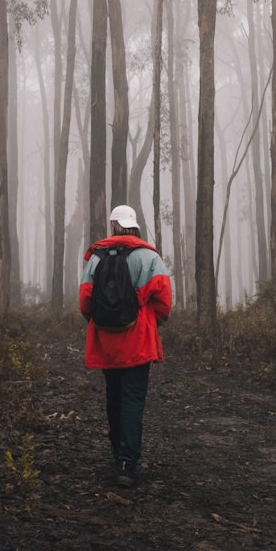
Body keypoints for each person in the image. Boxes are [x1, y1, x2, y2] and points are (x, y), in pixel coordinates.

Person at [80, 204, 172, 488]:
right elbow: (165, 302)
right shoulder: (149, 257)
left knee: (114, 396)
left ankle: (116, 452)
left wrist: (102, 322)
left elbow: (85, 302)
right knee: (133, 399)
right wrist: (147, 319)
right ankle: (126, 463)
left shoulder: (96, 258)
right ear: (135, 226)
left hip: (107, 341)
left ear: (113, 225)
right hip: (138, 342)